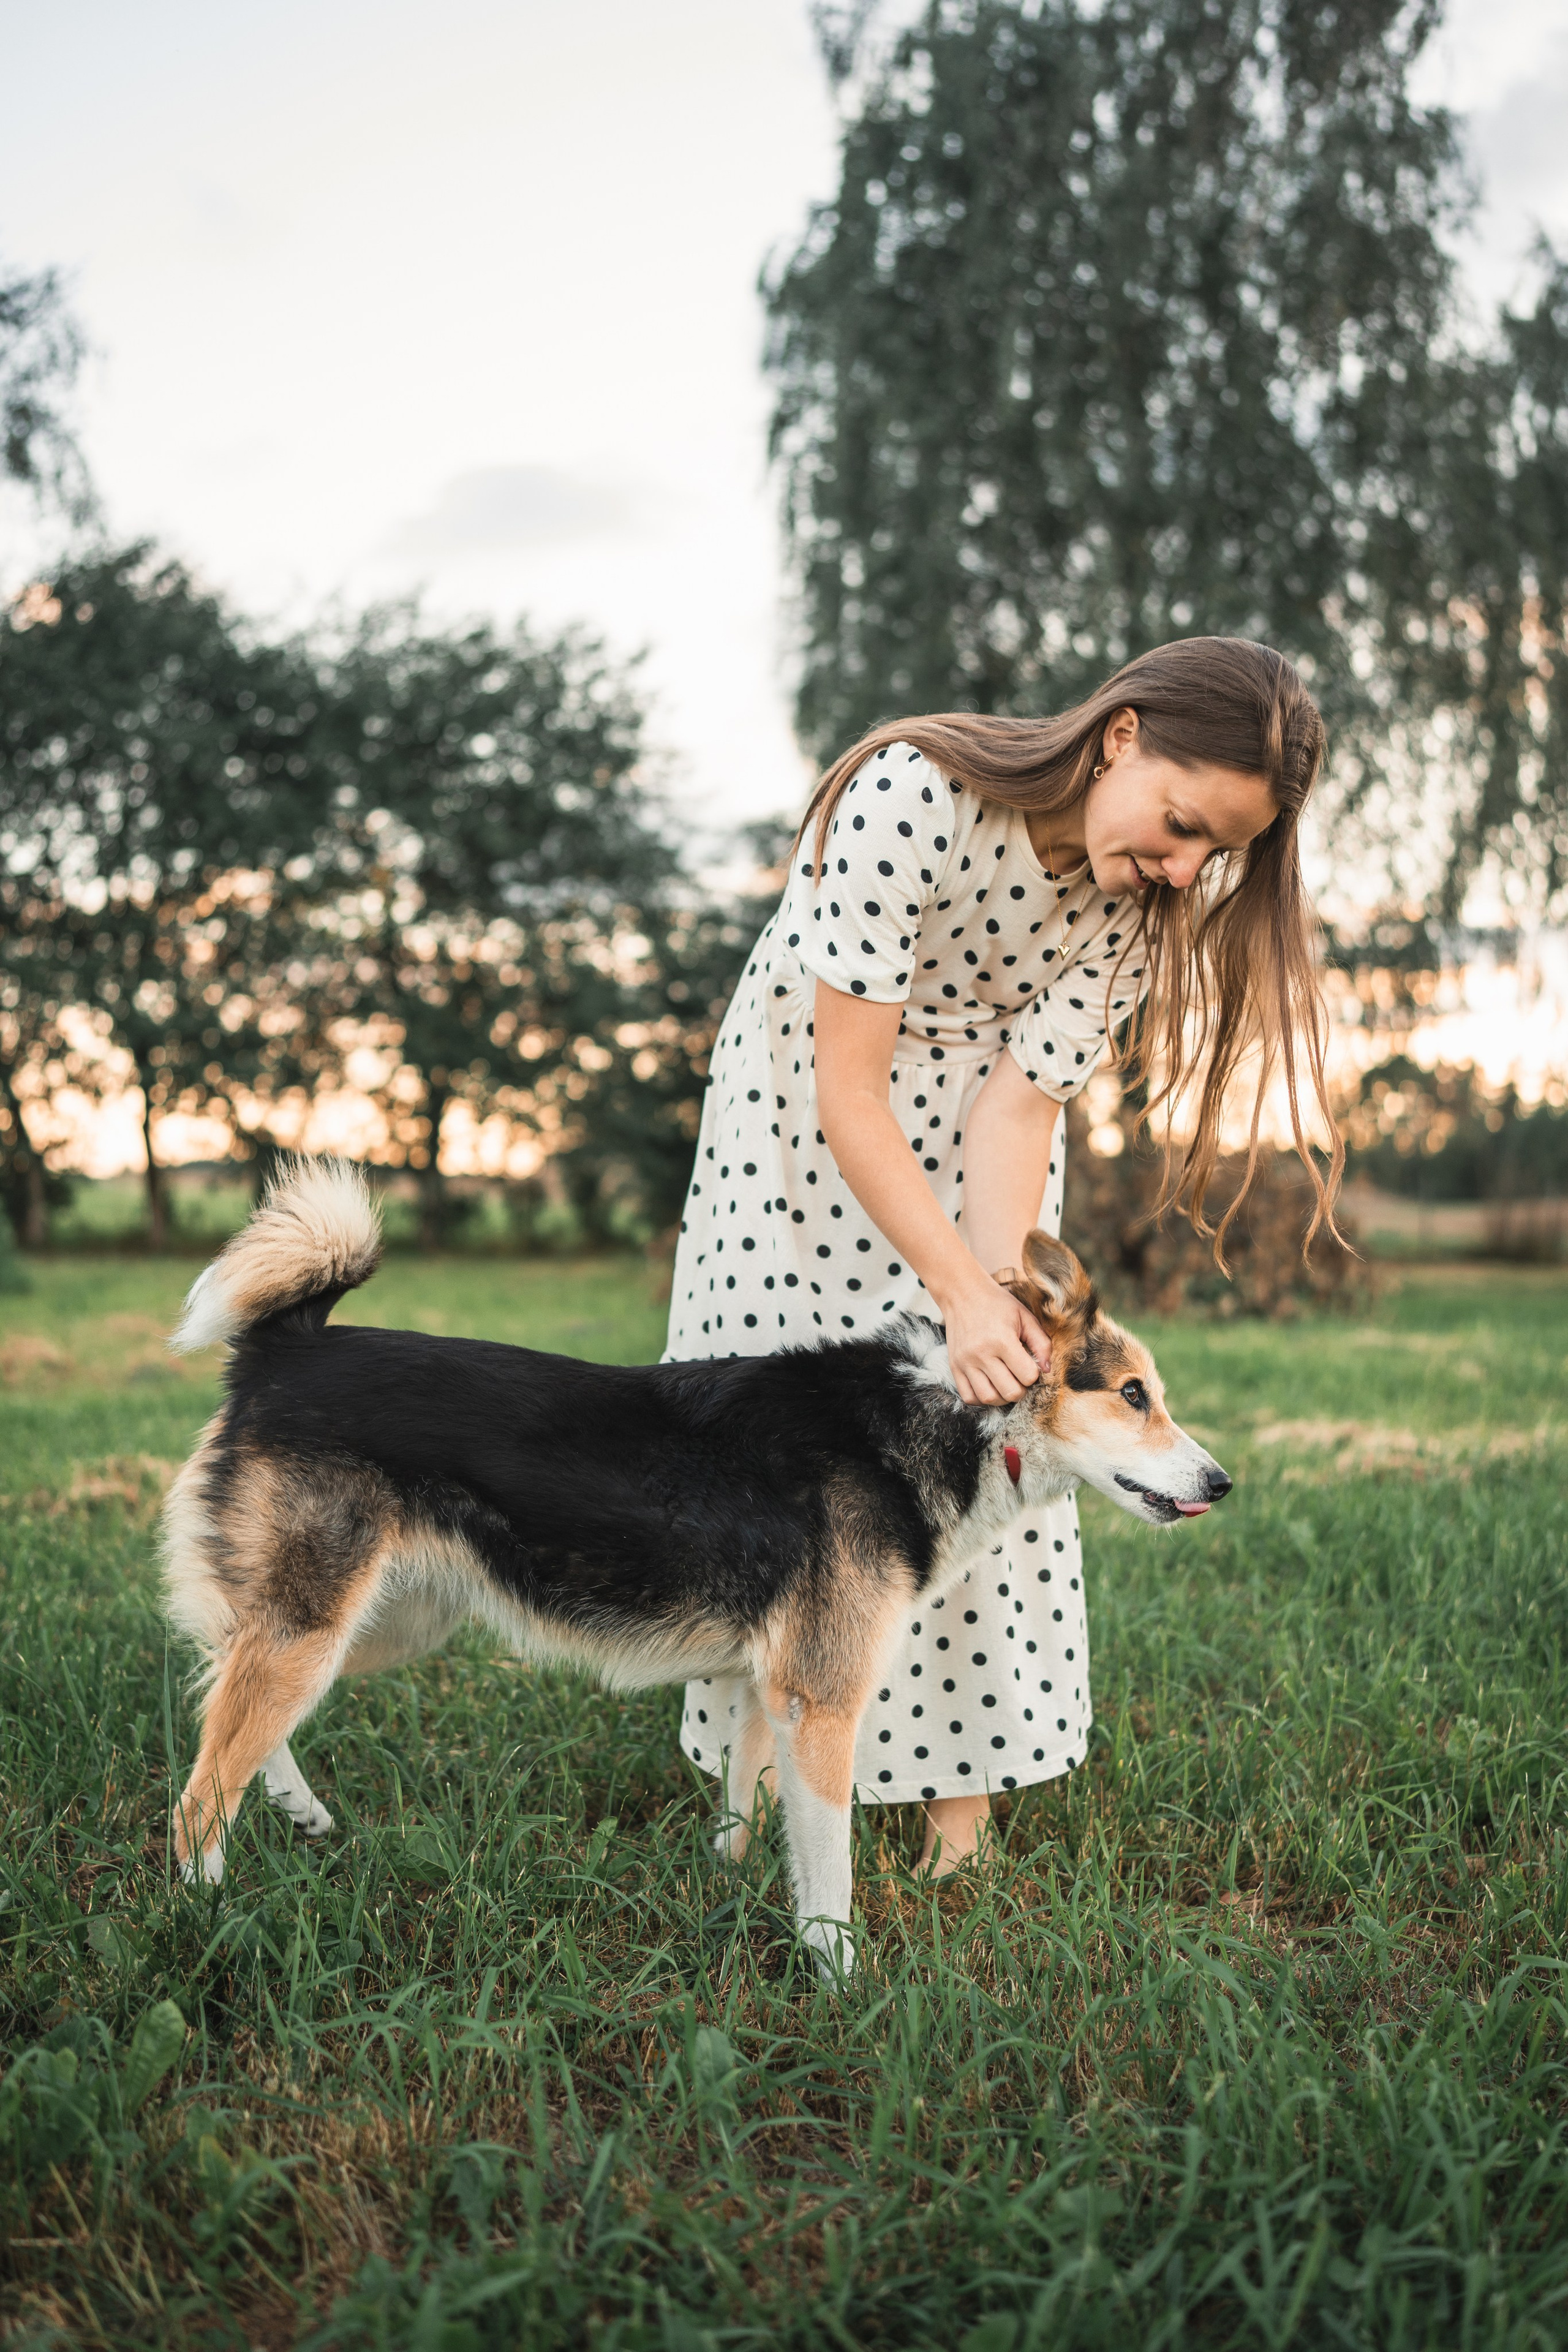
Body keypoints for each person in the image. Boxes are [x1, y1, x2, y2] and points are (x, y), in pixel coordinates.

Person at [666, 636, 1338, 1873]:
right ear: (1120, 734)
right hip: (805, 1125)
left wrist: (1000, 1314)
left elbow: (1015, 1110)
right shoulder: (912, 794)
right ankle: (751, 1791)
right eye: (1181, 823)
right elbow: (849, 1092)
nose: (1182, 867)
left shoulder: (1133, 916)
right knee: (775, 1447)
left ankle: (955, 1814)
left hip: (983, 1150)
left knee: (993, 1436)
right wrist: (954, 1291)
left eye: (1213, 853)